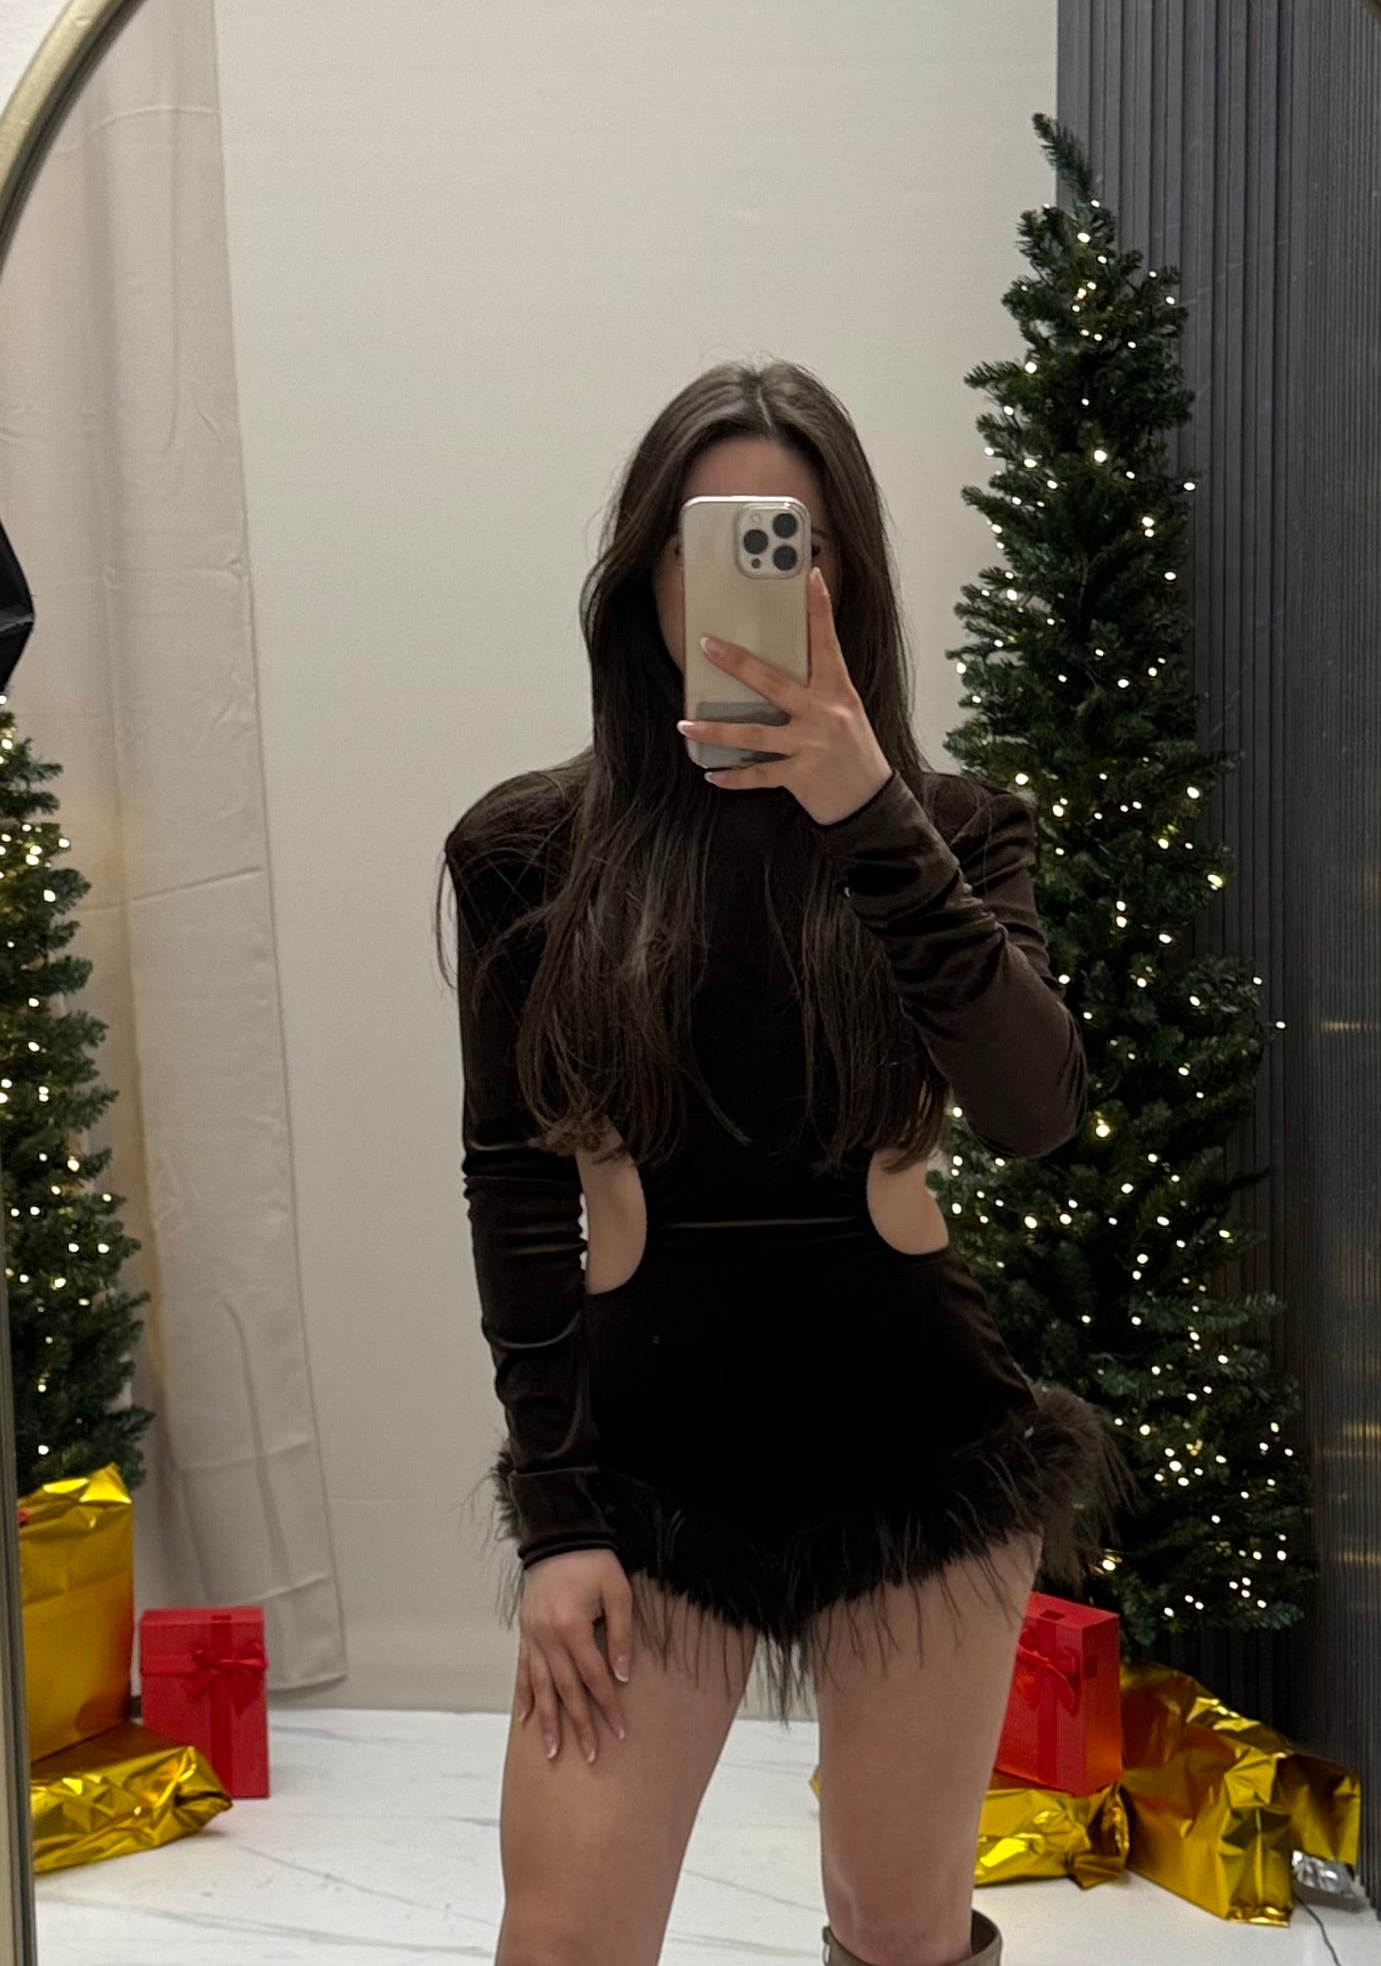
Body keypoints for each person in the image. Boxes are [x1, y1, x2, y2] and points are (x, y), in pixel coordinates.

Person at [437, 360, 1133, 1966]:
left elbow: (1036, 1105)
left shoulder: (957, 830)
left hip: (917, 1452)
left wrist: (865, 806)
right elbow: (515, 1185)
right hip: (647, 1472)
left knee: (897, 1924)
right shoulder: (527, 853)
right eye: (715, 540)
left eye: (792, 541)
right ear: (647, 578)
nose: (751, 578)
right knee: (564, 1934)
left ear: (846, 577)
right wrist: (556, 1517)